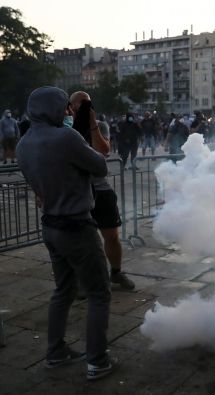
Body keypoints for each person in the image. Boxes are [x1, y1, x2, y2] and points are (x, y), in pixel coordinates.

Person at [16, 86, 115, 380]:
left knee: (64, 290)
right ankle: (98, 361)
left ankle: (55, 351)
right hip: (76, 226)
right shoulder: (65, 137)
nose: (69, 113)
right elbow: (99, 166)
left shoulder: (23, 144)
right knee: (99, 293)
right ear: (53, 108)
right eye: (65, 108)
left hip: (50, 225)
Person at [69, 92, 136, 291]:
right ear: (70, 107)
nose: (83, 109)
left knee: (112, 235)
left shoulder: (99, 125)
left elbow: (104, 150)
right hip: (77, 191)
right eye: (79, 105)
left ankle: (116, 272)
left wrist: (91, 124)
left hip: (100, 189)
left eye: (87, 104)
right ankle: (81, 279)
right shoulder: (65, 128)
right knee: (80, 240)